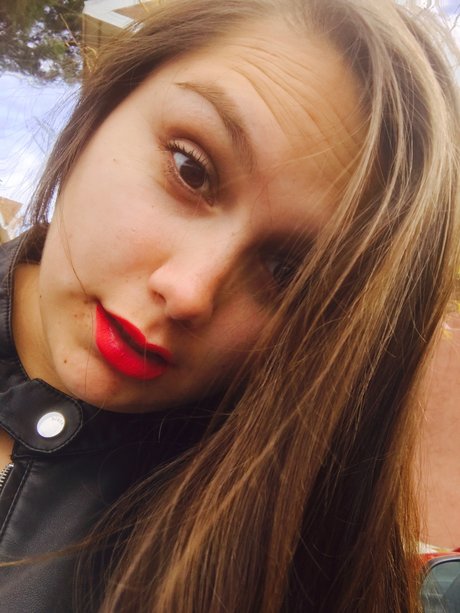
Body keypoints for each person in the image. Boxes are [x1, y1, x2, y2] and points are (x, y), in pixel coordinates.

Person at [0, 0, 459, 611]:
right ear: (100, 109)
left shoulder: (275, 569)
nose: (189, 291)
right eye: (190, 169)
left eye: (290, 273)